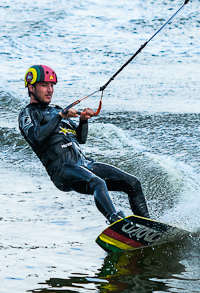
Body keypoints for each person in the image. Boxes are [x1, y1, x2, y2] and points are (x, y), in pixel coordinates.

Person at [18, 65, 150, 224]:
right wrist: (61, 116)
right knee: (98, 183)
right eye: (44, 85)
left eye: (52, 85)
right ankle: (115, 220)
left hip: (83, 163)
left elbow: (80, 139)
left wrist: (83, 121)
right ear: (31, 87)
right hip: (62, 170)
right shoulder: (28, 114)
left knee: (132, 182)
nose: (50, 90)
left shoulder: (56, 110)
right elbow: (36, 137)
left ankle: (147, 225)